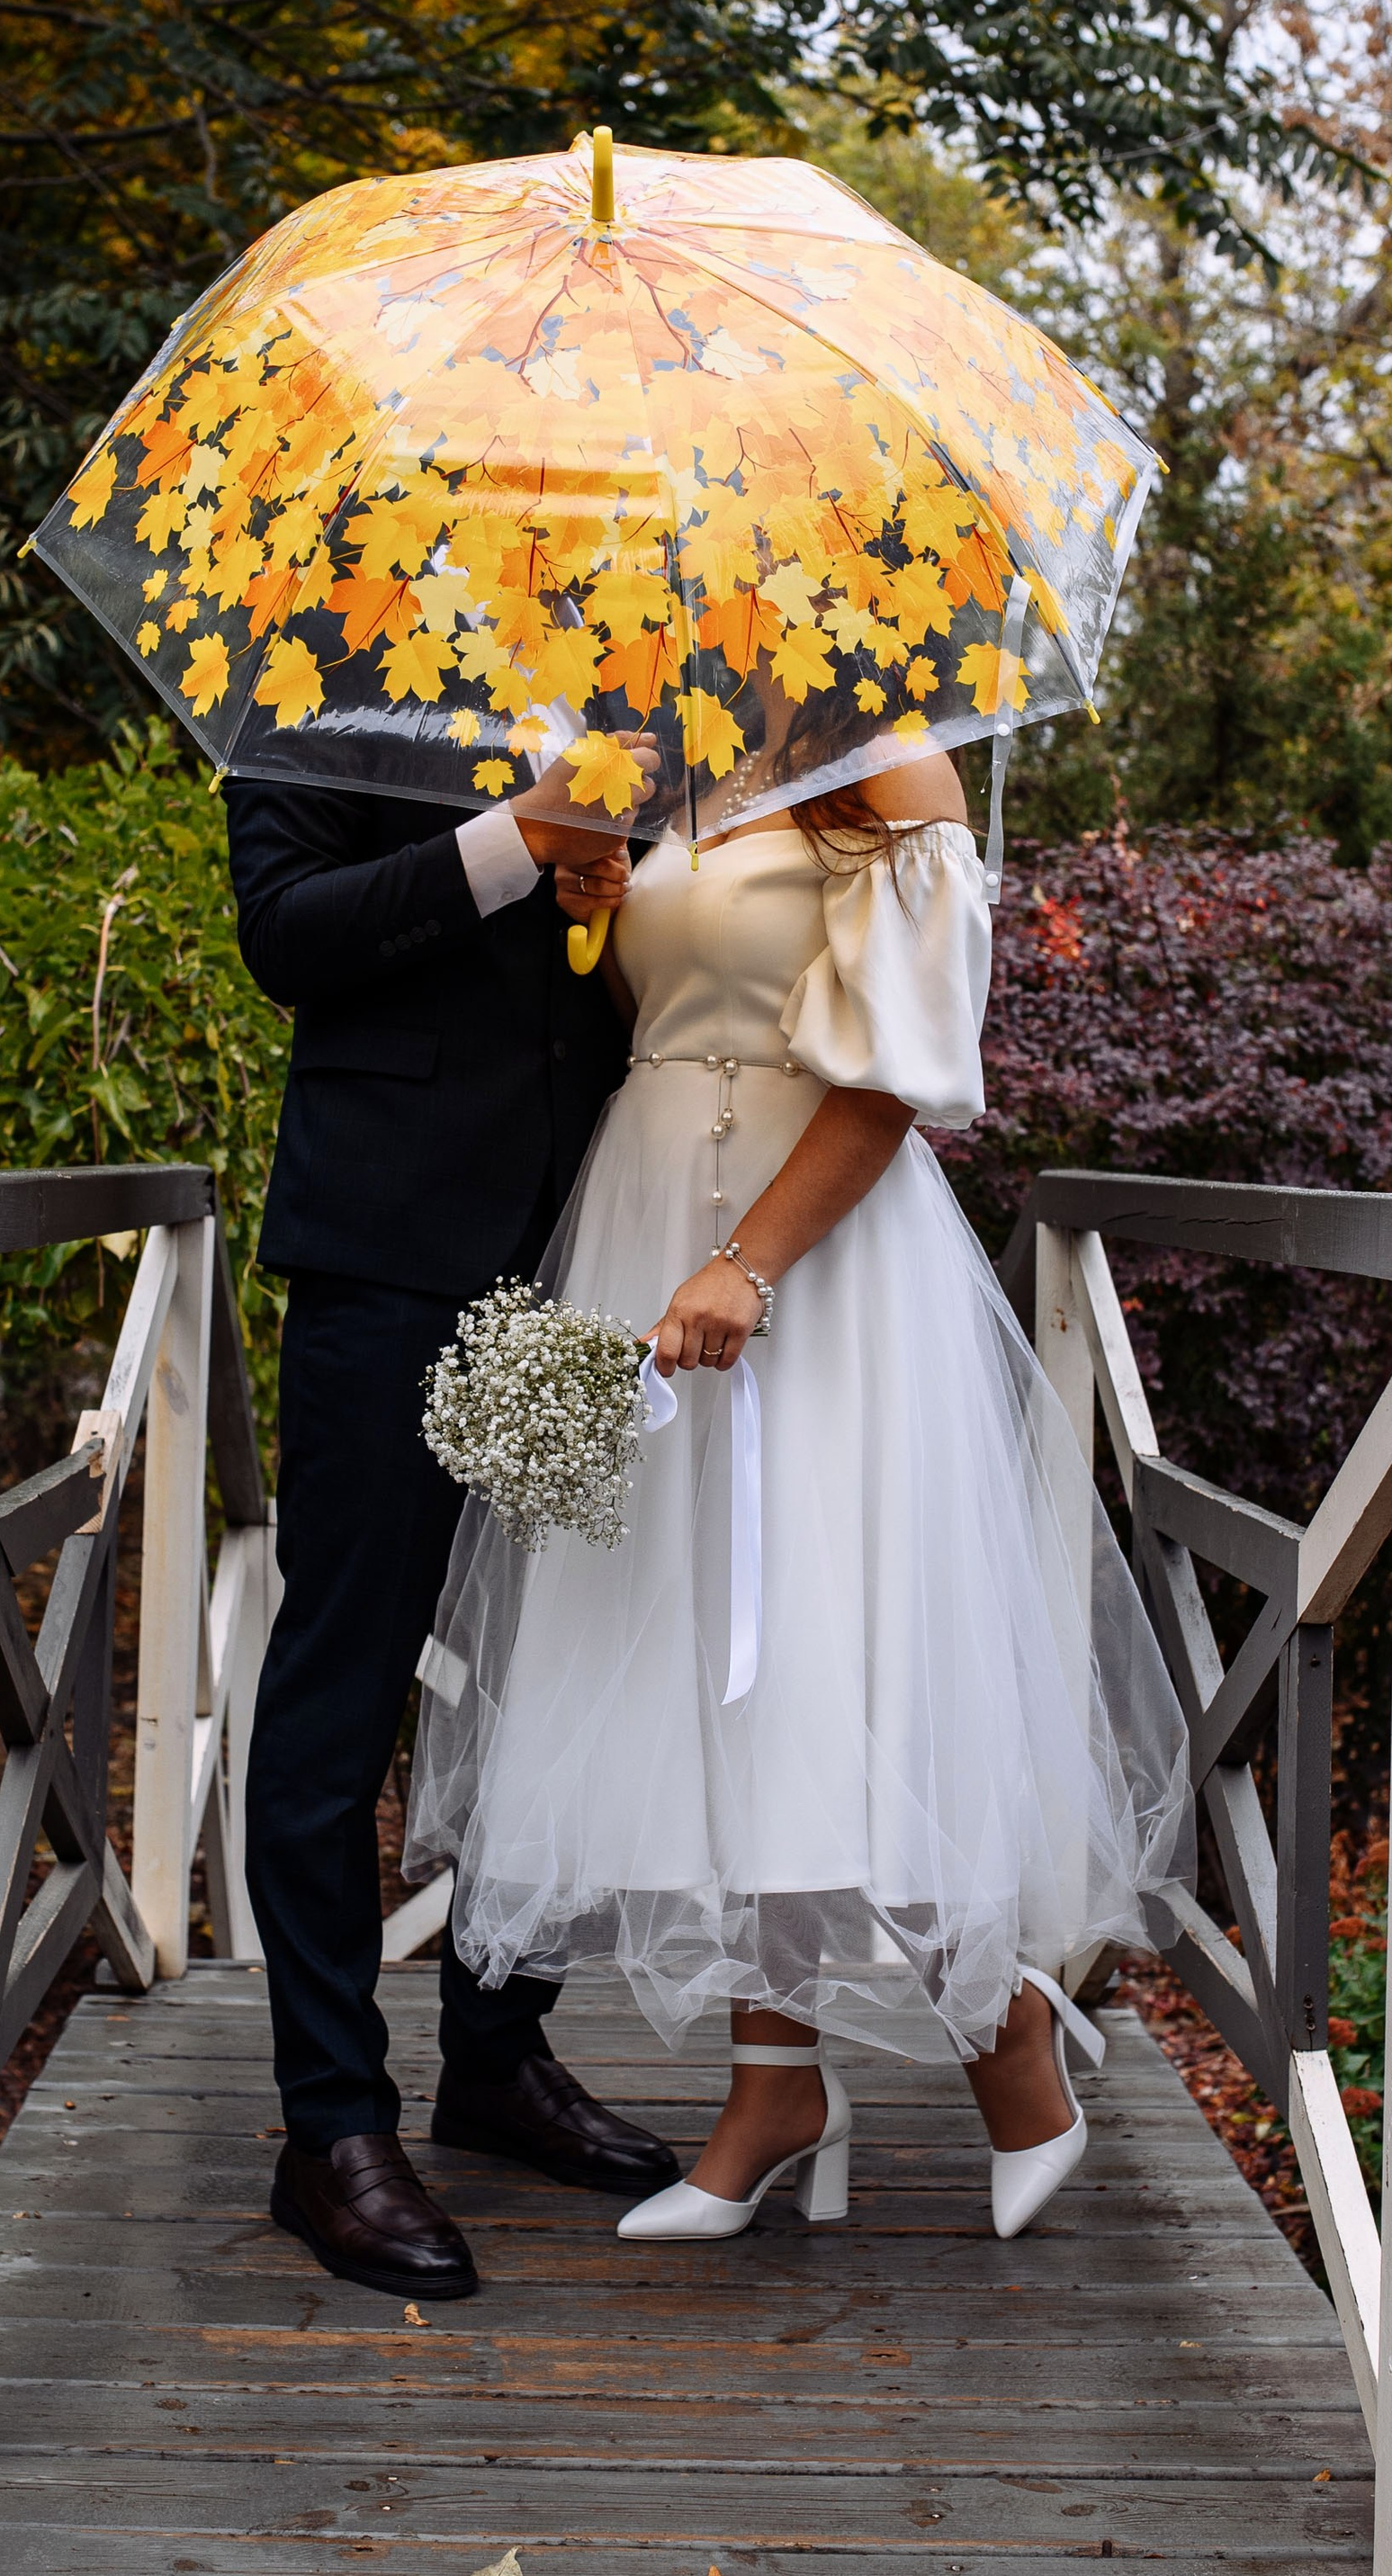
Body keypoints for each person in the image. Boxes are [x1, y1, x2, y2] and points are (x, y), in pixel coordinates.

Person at [408, 748, 1193, 2245]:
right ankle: (773, 2087)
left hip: (820, 1260)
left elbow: (897, 1074)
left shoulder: (895, 778)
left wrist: (751, 1263)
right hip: (649, 1213)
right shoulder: (670, 764)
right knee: (708, 1662)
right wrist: (599, 900)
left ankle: (1008, 2042)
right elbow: (678, 1015)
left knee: (842, 1644)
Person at [224, 757, 679, 2303]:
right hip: (389, 1245)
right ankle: (330, 2126)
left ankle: (496, 2053)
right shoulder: (325, 655)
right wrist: (510, 845)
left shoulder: (640, 676)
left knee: (549, 1671)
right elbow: (286, 934)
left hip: (591, 1242)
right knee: (343, 1680)